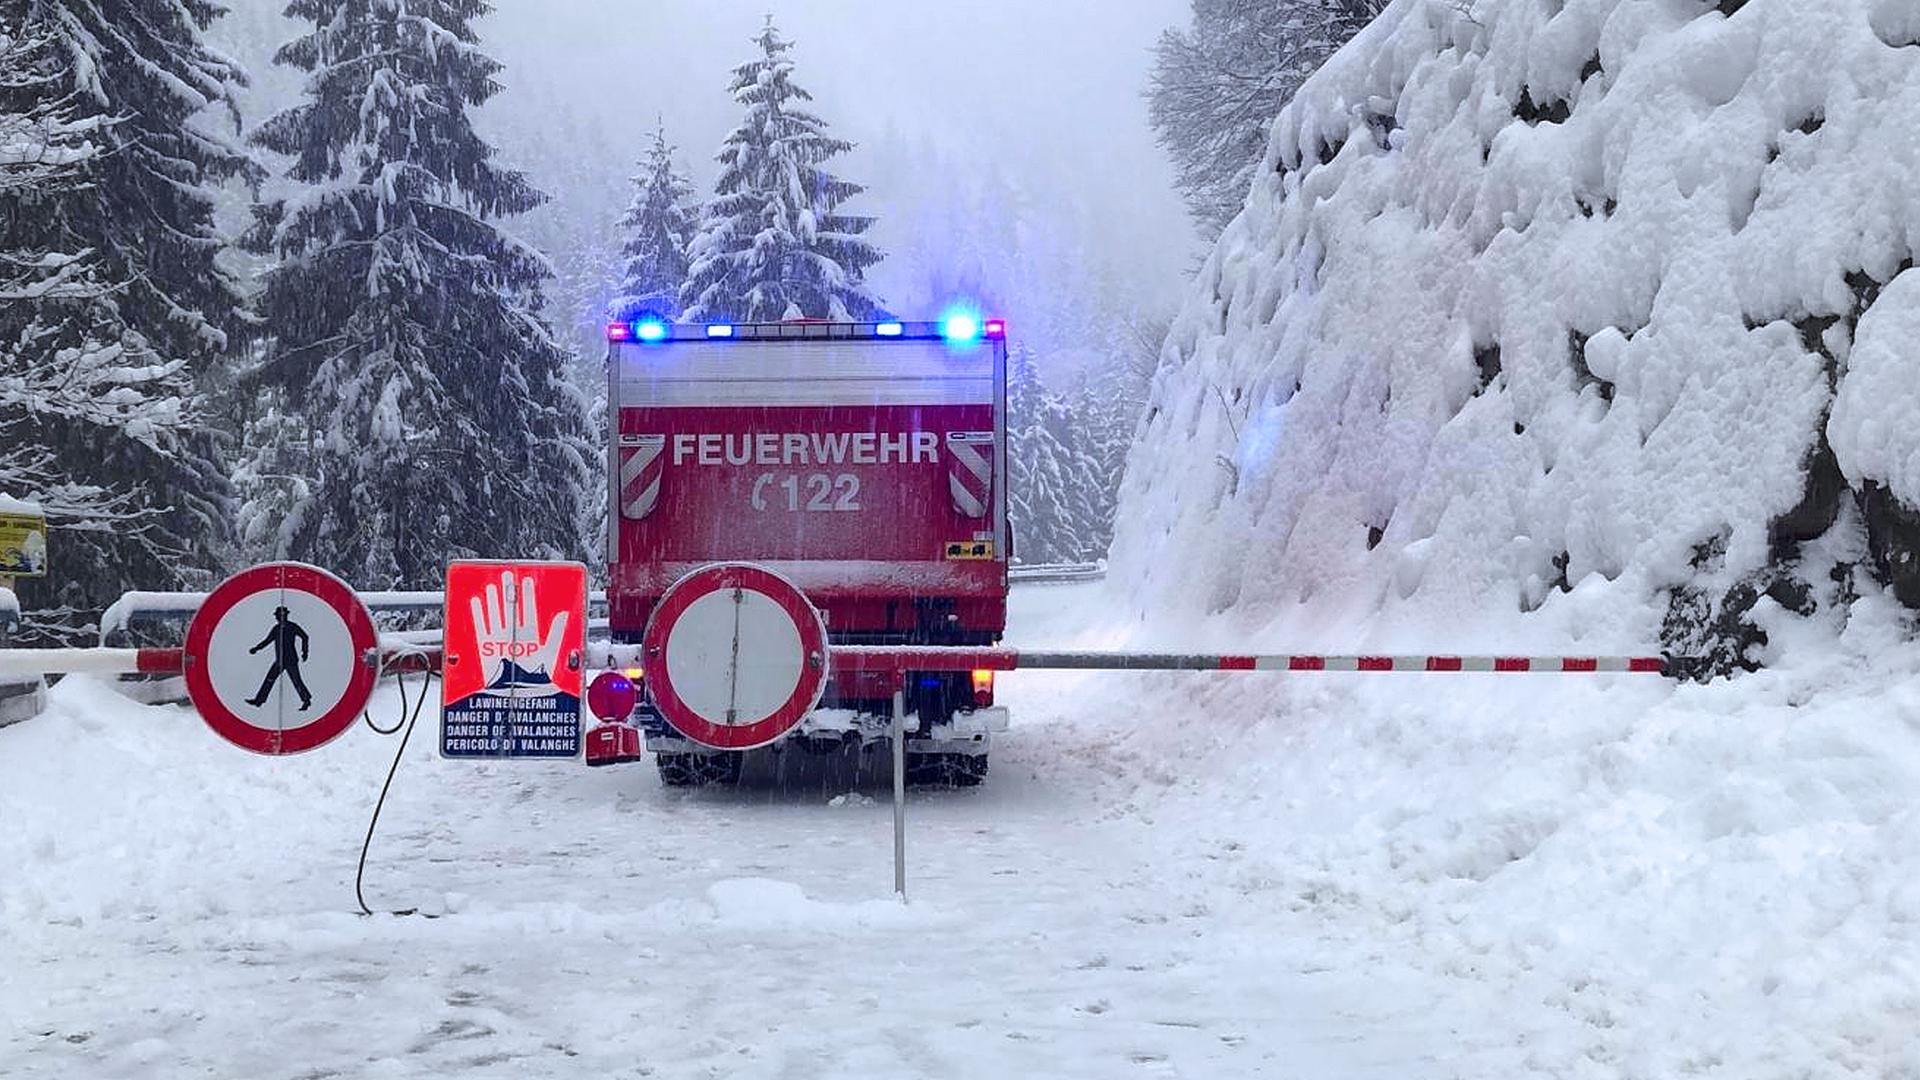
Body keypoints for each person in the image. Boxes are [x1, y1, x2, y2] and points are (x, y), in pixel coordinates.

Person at [245, 605, 313, 710]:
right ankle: (259, 700)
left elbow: (305, 636)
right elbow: (267, 641)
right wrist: (256, 648)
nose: (277, 618)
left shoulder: (292, 626)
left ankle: (306, 701)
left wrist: (305, 652)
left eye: (278, 615)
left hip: (291, 660)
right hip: (279, 661)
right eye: (276, 616)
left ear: (284, 616)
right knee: (269, 679)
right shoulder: (276, 629)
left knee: (296, 681)